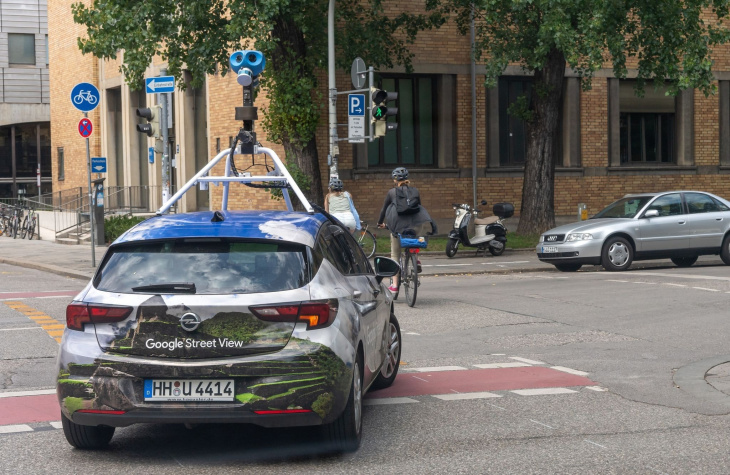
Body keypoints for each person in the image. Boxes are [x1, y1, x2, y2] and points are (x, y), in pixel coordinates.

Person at [377, 167, 436, 293]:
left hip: (399, 226)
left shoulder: (392, 192)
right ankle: (416, 258)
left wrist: (380, 222)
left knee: (395, 253)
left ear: (395, 180)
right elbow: (418, 207)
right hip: (416, 224)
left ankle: (394, 286)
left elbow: (384, 209)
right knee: (414, 239)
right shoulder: (415, 191)